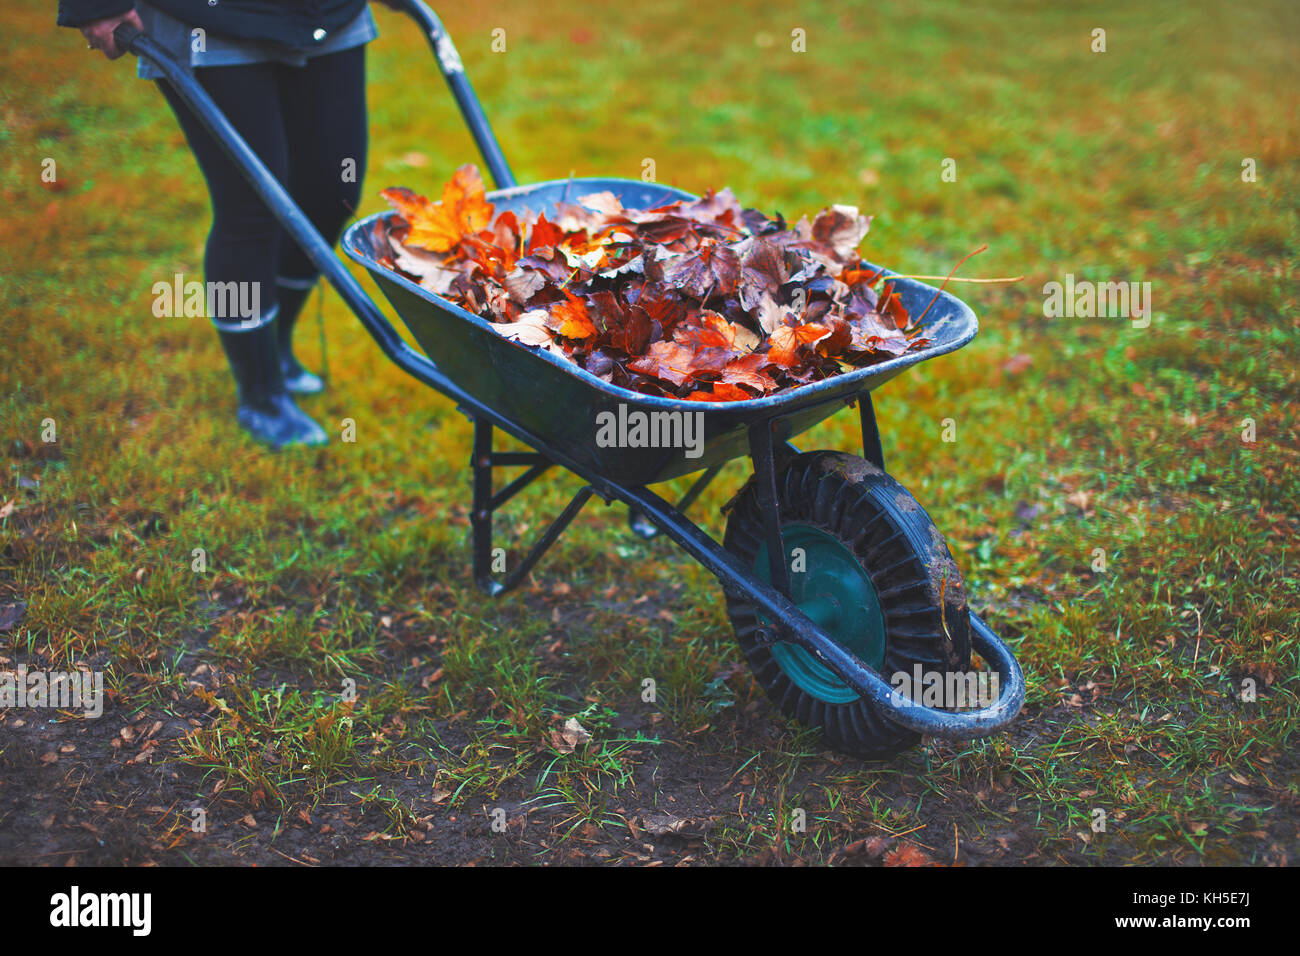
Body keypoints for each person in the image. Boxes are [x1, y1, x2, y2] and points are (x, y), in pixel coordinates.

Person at [57, 1, 390, 448]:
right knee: (251, 206)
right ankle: (261, 394)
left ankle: (277, 345)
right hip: (209, 21)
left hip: (330, 13)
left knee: (333, 192)